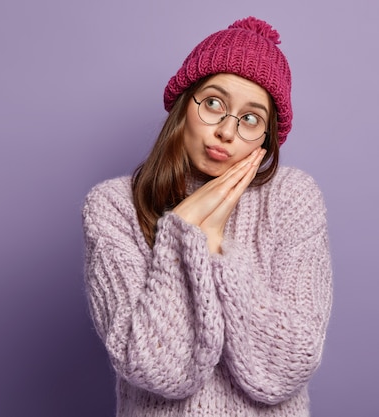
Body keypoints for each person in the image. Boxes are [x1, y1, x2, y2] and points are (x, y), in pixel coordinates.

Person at [82, 16, 332, 416]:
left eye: (251, 118)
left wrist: (213, 246)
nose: (227, 131)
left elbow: (289, 366)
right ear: (184, 104)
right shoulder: (112, 206)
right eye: (214, 103)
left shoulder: (293, 199)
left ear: (267, 139)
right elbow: (157, 368)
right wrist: (182, 233)